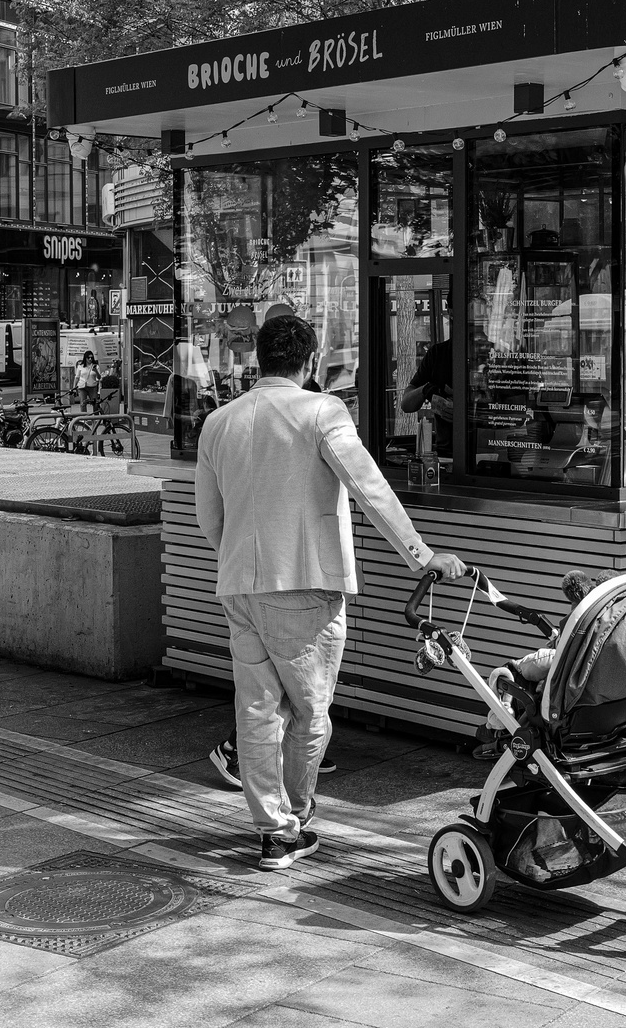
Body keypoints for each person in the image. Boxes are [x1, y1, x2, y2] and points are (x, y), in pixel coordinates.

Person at [195, 316, 466, 870]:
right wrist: (422, 554)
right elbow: (370, 487)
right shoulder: (321, 412)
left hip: (240, 586)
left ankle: (272, 830)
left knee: (256, 708)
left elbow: (209, 519)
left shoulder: (217, 422)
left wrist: (243, 560)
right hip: (305, 586)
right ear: (310, 362)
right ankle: (292, 819)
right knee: (310, 711)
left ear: (259, 359)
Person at [400, 338, 453, 457]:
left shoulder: (489, 353)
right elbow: (406, 404)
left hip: (487, 446)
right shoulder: (438, 353)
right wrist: (427, 389)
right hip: (446, 451)